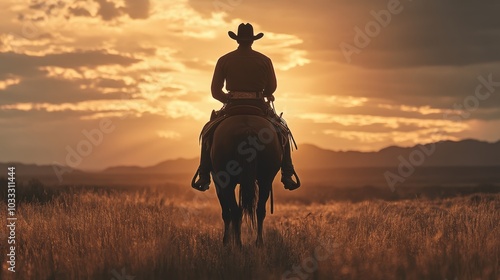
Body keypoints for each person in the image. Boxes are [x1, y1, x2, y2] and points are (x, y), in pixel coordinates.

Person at [192, 23, 300, 192]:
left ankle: (204, 175)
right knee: (283, 130)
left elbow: (215, 91)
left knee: (207, 132)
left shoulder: (224, 59)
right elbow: (271, 88)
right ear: (252, 40)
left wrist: (227, 99)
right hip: (258, 105)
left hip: (232, 105)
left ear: (237, 40)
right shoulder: (265, 60)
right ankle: (287, 173)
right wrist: (262, 93)